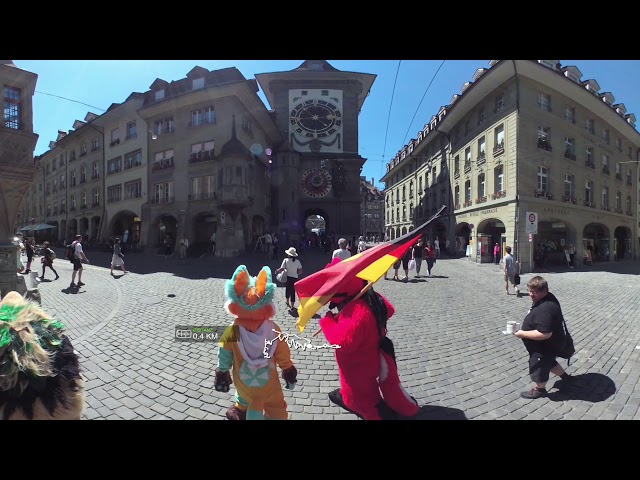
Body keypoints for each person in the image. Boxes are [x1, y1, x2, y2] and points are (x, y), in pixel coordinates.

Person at [319, 257, 420, 420]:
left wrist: (328, 322)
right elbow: (390, 309)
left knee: (361, 398)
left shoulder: (356, 310)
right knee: (364, 386)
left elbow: (342, 341)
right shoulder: (372, 297)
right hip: (372, 355)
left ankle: (370, 411)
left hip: (356, 366)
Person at [214, 265, 297, 420]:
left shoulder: (232, 332)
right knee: (276, 406)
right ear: (267, 306)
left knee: (243, 403)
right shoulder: (274, 329)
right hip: (269, 385)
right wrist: (288, 369)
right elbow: (283, 353)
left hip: (245, 384)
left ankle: (244, 411)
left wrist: (222, 372)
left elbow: (224, 354)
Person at [514, 276, 573, 399]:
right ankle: (566, 378)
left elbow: (544, 334)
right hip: (553, 345)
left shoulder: (545, 309)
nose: (530, 294)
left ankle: (540, 389)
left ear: (544, 291)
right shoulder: (548, 297)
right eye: (529, 291)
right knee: (550, 362)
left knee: (539, 367)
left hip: (544, 347)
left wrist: (521, 334)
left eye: (534, 292)